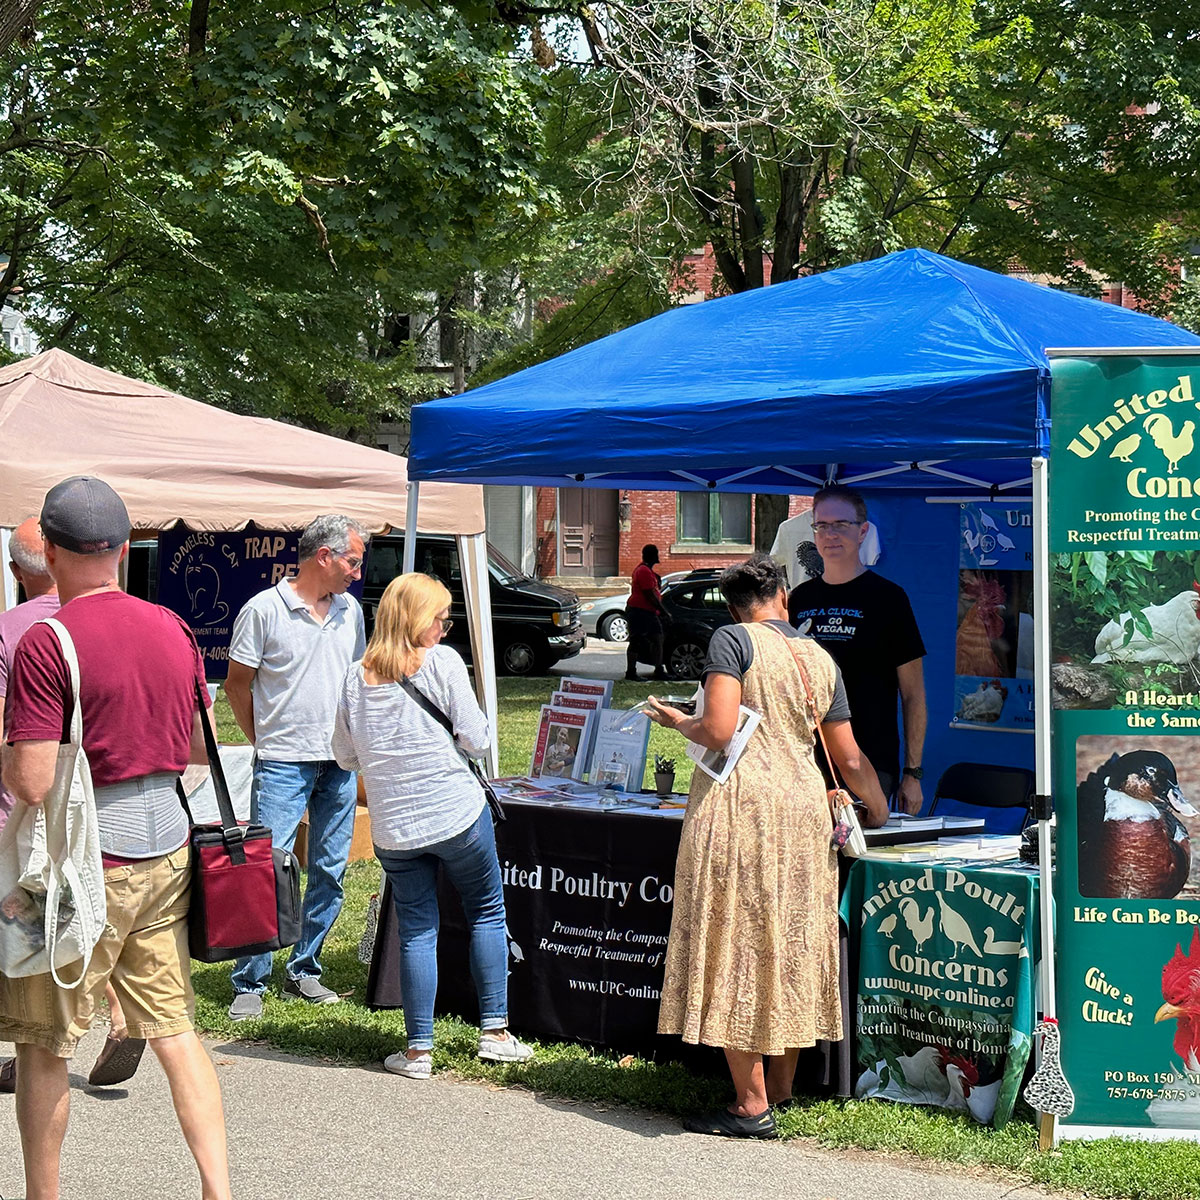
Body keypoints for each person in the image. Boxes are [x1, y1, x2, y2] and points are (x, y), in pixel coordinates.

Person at [0, 475, 231, 1200]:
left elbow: (33, 782)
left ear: (51, 553)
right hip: (164, 847)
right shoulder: (173, 626)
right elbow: (200, 745)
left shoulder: (48, 639)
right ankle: (218, 1190)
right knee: (174, 1029)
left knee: (43, 1044)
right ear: (125, 549)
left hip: (80, 864)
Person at [646, 554, 888, 1139]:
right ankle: (779, 1088)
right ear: (783, 596)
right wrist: (879, 807)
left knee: (733, 938)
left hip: (740, 808)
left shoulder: (731, 640)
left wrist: (679, 721)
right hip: (804, 811)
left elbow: (719, 730)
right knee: (790, 937)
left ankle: (750, 1104)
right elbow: (849, 757)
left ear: (732, 606)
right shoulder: (817, 655)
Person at [332, 572, 534, 1079]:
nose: (446, 626)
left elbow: (344, 753)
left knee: (417, 929)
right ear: (416, 619)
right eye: (440, 617)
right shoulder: (442, 663)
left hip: (395, 826)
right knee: (487, 912)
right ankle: (494, 1032)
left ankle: (418, 1051)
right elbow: (479, 739)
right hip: (456, 815)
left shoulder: (354, 677)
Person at [0, 517, 144, 1094]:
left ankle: (31, 1047)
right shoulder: (120, 620)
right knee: (82, 911)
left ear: (18, 572)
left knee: (34, 923)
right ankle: (118, 1012)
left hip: (26, 802)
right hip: (114, 811)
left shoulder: (16, 632)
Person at [224, 513, 367, 1021]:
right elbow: (236, 685)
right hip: (283, 761)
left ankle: (305, 968)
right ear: (323, 556)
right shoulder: (264, 609)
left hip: (339, 761)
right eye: (352, 560)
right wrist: (262, 741)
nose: (357, 571)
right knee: (268, 868)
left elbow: (357, 684)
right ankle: (249, 978)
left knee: (329, 868)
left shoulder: (351, 612)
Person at [787, 486, 927, 814]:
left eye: (841, 525)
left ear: (863, 531)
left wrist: (913, 773)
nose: (831, 534)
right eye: (822, 525)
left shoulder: (889, 599)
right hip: (807, 760)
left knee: (854, 858)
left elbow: (913, 695)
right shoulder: (798, 600)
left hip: (870, 761)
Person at [625, 543, 671, 681]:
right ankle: (631, 672)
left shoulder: (647, 571)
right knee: (636, 641)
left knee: (657, 638)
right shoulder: (643, 571)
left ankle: (658, 670)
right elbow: (650, 594)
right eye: (655, 553)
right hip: (639, 611)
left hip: (648, 612)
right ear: (651, 556)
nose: (657, 556)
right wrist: (663, 611)